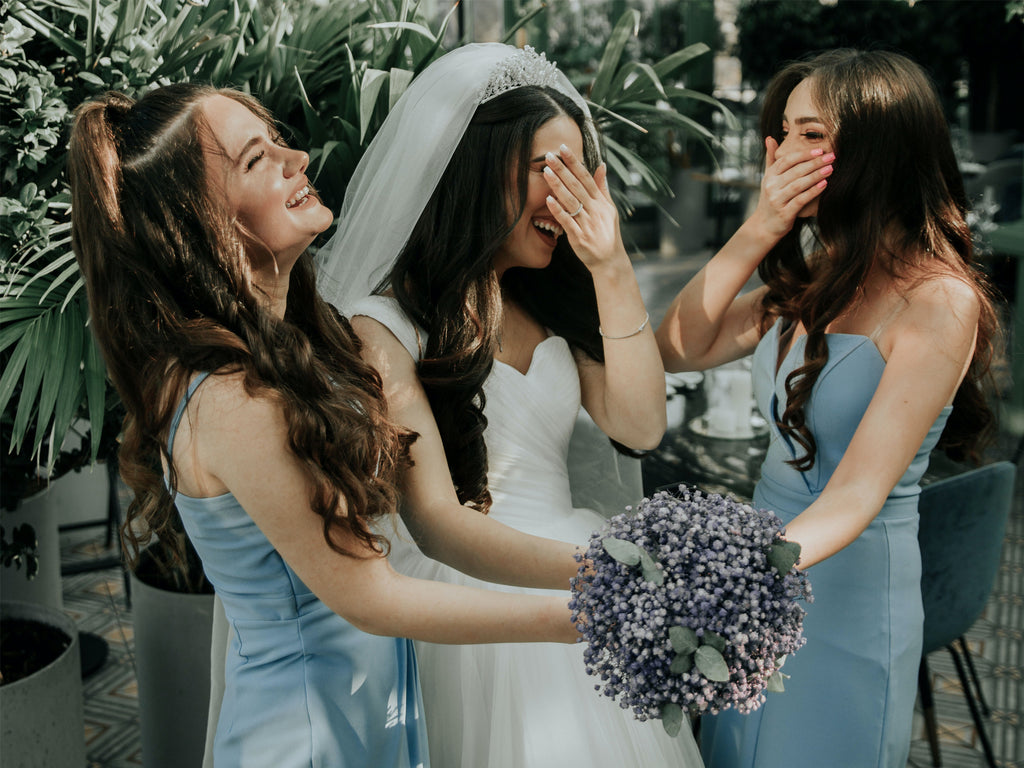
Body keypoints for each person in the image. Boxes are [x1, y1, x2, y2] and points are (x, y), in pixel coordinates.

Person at [67, 83, 592, 768]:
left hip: (370, 711)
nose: (299, 156)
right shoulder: (231, 397)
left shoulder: (302, 346)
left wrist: (605, 570)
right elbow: (370, 596)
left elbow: (430, 526)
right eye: (259, 159)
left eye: (279, 140)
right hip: (307, 737)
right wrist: (589, 616)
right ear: (196, 218)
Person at [318, 43, 704, 768]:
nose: (566, 197)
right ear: (479, 167)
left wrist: (611, 268)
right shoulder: (386, 325)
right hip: (484, 597)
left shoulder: (553, 297)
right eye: (545, 171)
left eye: (578, 173)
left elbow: (642, 426)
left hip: (579, 558)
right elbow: (437, 525)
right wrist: (610, 574)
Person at [654, 49, 999, 768]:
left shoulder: (939, 301)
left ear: (877, 148)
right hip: (761, 570)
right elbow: (676, 347)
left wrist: (735, 575)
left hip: (846, 591)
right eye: (781, 133)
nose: (782, 154)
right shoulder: (813, 277)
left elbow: (855, 496)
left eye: (811, 134)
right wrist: (758, 228)